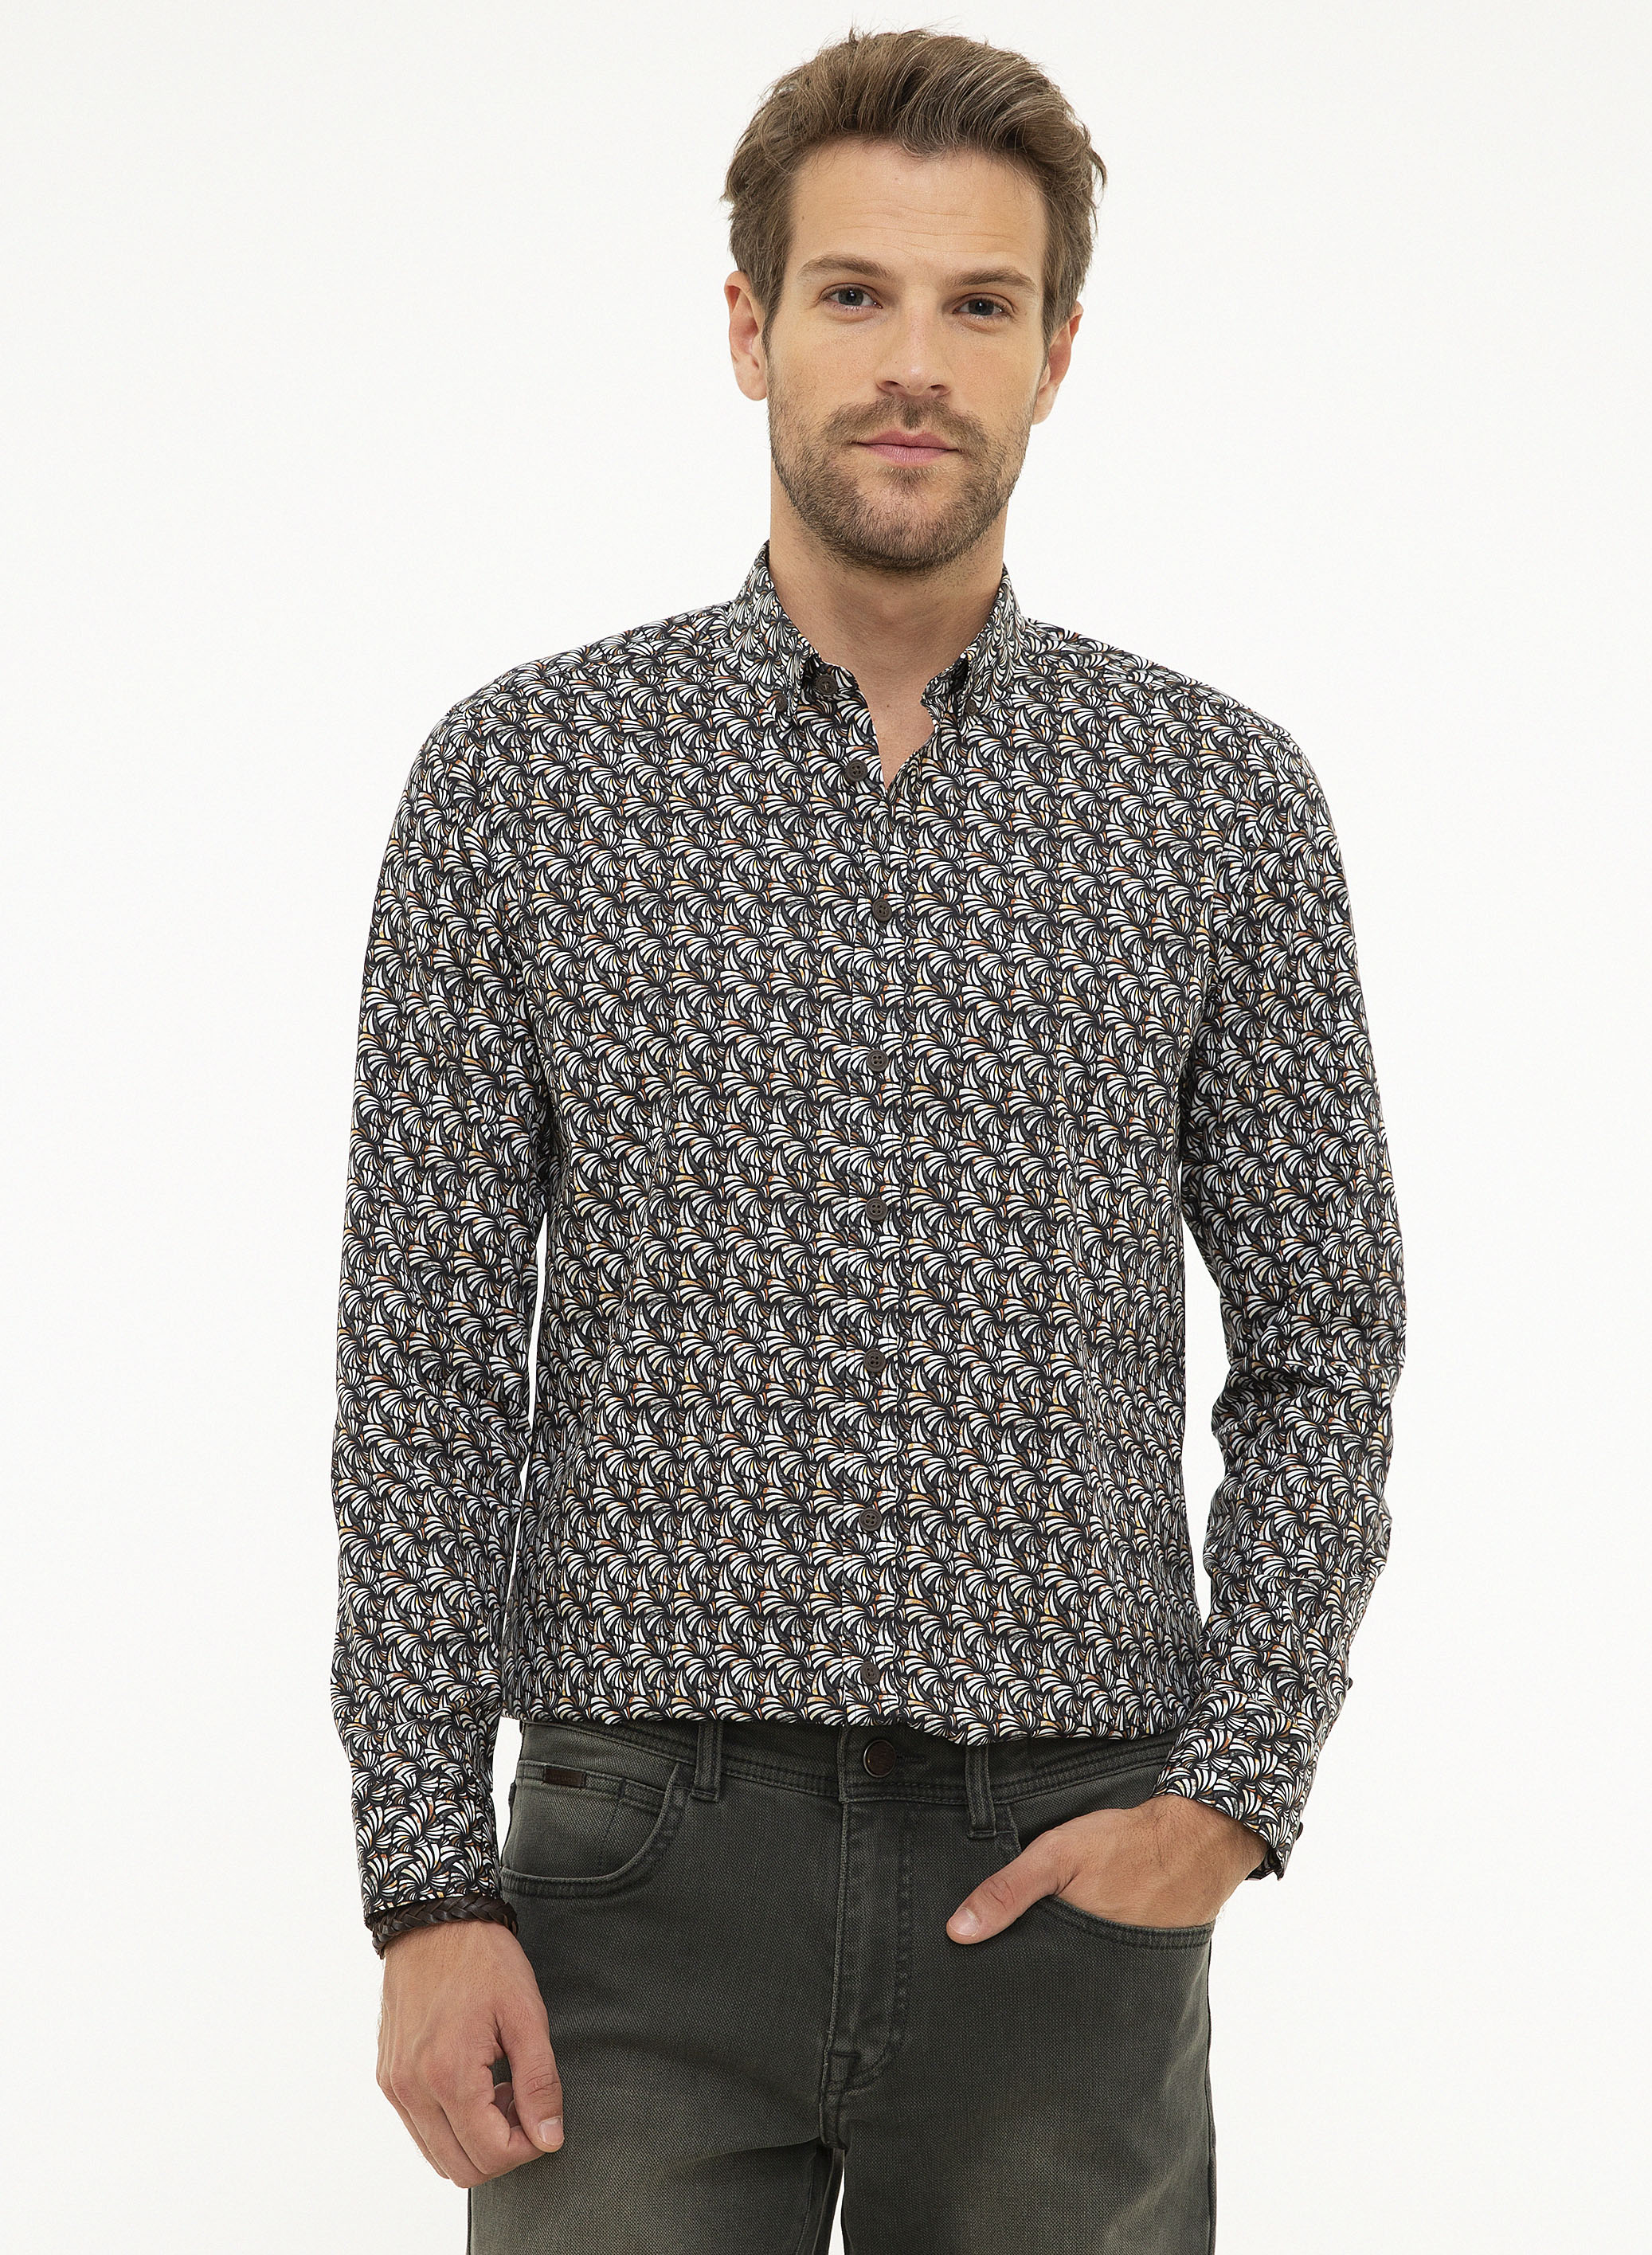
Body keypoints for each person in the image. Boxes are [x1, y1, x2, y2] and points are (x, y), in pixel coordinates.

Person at [329, 26, 1407, 2253]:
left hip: (1063, 1884)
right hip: (629, 1883)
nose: (913, 361)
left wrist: (1234, 1790)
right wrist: (425, 1884)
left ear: (1056, 351)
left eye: (977, 302)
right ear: (750, 327)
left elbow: (1327, 1339)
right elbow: (423, 1366)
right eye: (853, 293)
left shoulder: (1215, 801)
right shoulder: (524, 780)